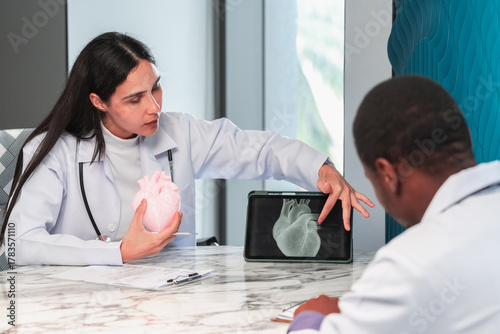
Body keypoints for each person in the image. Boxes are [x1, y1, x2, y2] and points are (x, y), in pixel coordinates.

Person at [1, 32, 373, 266]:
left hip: (172, 297)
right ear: (99, 101)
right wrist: (117, 252)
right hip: (82, 308)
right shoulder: (54, 151)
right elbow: (22, 243)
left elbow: (260, 150)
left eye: (156, 88)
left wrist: (320, 169)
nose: (155, 107)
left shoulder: (181, 132)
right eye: (135, 99)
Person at [288, 75, 500, 333]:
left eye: (371, 179)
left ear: (388, 175)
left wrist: (310, 317)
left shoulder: (410, 264)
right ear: (464, 137)